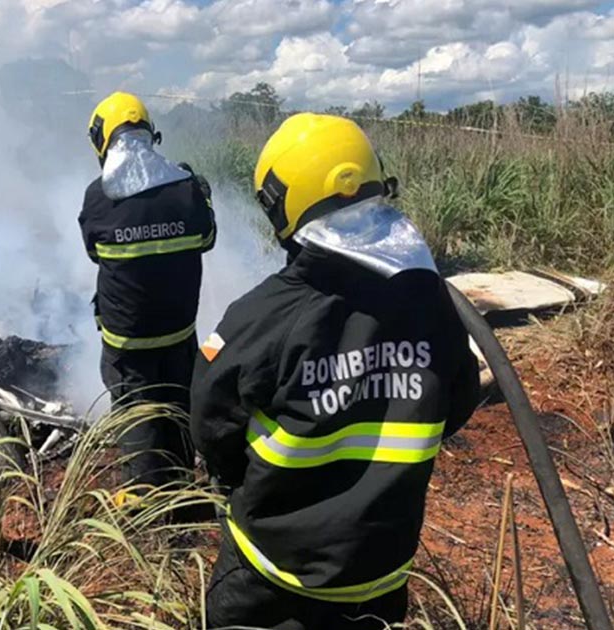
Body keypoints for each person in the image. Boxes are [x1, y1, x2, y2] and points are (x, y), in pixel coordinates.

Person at [191, 113, 481, 629]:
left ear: (283, 204)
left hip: (273, 576)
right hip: (378, 576)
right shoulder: (433, 303)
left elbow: (212, 426)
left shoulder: (266, 317)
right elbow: (456, 402)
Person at [78, 92, 217, 495]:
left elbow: (93, 251)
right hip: (178, 333)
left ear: (102, 141)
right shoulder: (186, 188)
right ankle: (181, 487)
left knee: (138, 418)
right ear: (150, 134)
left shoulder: (98, 197)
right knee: (177, 407)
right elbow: (206, 238)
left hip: (127, 341)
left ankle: (145, 508)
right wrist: (202, 197)